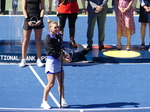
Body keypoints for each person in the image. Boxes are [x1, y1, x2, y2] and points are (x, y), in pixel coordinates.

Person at [41, 19, 71, 109]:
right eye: (55, 27)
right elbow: (53, 52)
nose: (56, 28)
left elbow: (60, 48)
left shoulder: (58, 37)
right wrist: (64, 60)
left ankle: (62, 100)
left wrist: (65, 53)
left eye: (57, 27)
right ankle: (44, 101)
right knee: (51, 84)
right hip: (52, 62)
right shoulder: (47, 39)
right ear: (50, 28)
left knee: (61, 82)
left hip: (58, 61)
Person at [19, 0, 45, 67]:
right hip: (28, 18)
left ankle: (39, 59)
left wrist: (41, 19)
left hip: (38, 19)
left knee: (38, 40)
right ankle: (23, 59)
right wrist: (27, 20)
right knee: (26, 40)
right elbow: (24, 8)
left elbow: (43, 8)